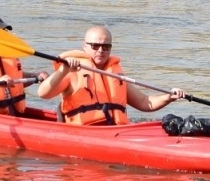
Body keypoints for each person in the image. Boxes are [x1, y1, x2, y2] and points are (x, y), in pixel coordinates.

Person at [36, 25, 184, 126]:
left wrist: (168, 97)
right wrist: (64, 70)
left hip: (115, 131)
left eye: (106, 46)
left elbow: (145, 102)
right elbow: (43, 93)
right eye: (95, 46)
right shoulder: (71, 71)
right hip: (83, 132)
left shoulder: (115, 73)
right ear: (84, 46)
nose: (101, 50)